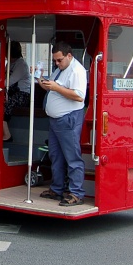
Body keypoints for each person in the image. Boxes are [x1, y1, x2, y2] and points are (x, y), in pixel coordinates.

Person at [38, 42, 87, 206]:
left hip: (68, 118)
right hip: (56, 119)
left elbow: (79, 96)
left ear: (69, 56)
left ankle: (76, 193)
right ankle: (57, 189)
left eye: (59, 60)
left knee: (72, 157)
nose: (57, 63)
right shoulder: (61, 69)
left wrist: (56, 88)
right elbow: (51, 88)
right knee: (56, 155)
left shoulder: (77, 71)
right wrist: (41, 80)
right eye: (55, 61)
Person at [2, 42, 31, 142]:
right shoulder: (9, 64)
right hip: (10, 92)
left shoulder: (21, 65)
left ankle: (7, 134)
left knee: (5, 105)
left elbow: (10, 81)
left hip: (22, 94)